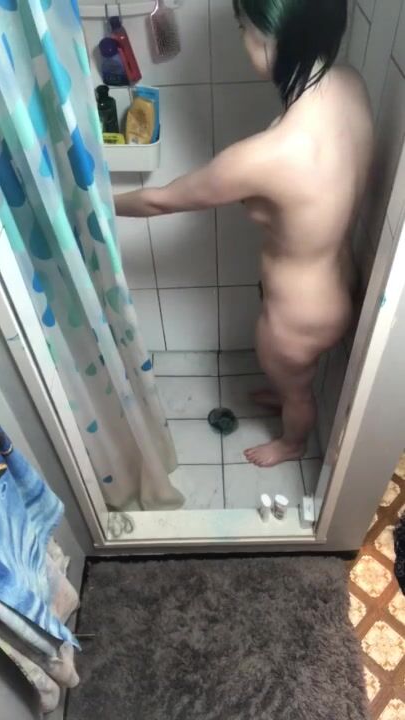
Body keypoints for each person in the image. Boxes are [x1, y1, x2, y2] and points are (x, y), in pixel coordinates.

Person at [114, 0, 374, 468]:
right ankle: (289, 389)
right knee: (294, 377)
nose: (241, 41)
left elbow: (160, 201)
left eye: (242, 29)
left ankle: (292, 442)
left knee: (297, 391)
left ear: (269, 39)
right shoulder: (350, 84)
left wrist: (98, 203)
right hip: (338, 281)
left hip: (296, 315)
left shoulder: (265, 156)